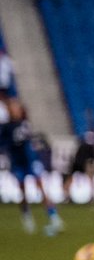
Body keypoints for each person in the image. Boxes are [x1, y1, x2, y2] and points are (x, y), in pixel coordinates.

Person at [6, 100, 60, 235]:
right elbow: (5, 144)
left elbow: (32, 141)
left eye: (17, 108)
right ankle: (27, 217)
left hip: (31, 161)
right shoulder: (6, 127)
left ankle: (53, 217)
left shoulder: (25, 124)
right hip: (17, 162)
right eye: (14, 108)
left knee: (41, 187)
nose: (16, 111)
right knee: (22, 191)